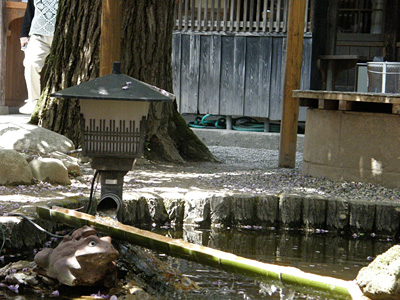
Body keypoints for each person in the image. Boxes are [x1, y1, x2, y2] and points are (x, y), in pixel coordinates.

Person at [19, 0, 59, 115]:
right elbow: (29, 11)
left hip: (61, 35)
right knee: (30, 63)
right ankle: (33, 101)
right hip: (38, 36)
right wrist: (24, 35)